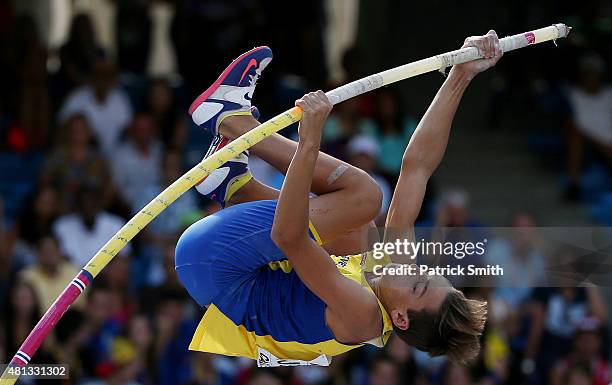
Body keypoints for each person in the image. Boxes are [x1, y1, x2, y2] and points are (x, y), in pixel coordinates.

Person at [176, 31, 502, 366]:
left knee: (365, 196)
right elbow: (417, 167)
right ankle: (233, 186)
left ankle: (229, 119)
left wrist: (310, 141)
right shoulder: (396, 278)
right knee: (359, 230)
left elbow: (288, 237)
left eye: (418, 284)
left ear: (401, 318)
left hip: (214, 264)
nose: (415, 269)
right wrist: (461, 74)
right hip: (235, 266)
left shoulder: (362, 317)